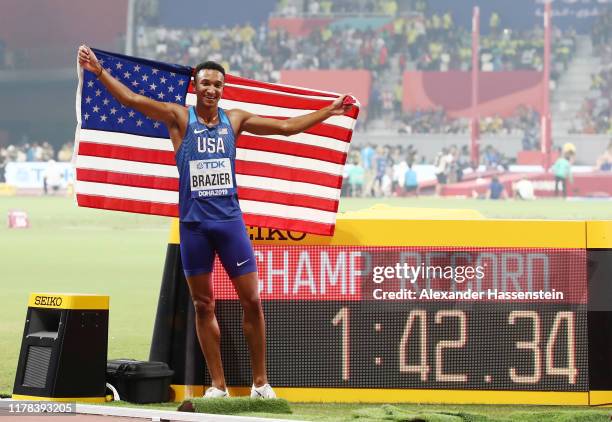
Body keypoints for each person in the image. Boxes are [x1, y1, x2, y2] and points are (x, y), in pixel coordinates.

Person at [77, 45, 353, 399]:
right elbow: (131, 99)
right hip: (194, 227)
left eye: (218, 85)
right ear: (196, 85)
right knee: (203, 305)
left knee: (251, 300)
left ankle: (260, 384)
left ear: (223, 89)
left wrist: (330, 110)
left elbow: (286, 127)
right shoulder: (178, 117)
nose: (212, 90)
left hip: (229, 225)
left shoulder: (234, 120)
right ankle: (218, 387)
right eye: (206, 83)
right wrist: (98, 72)